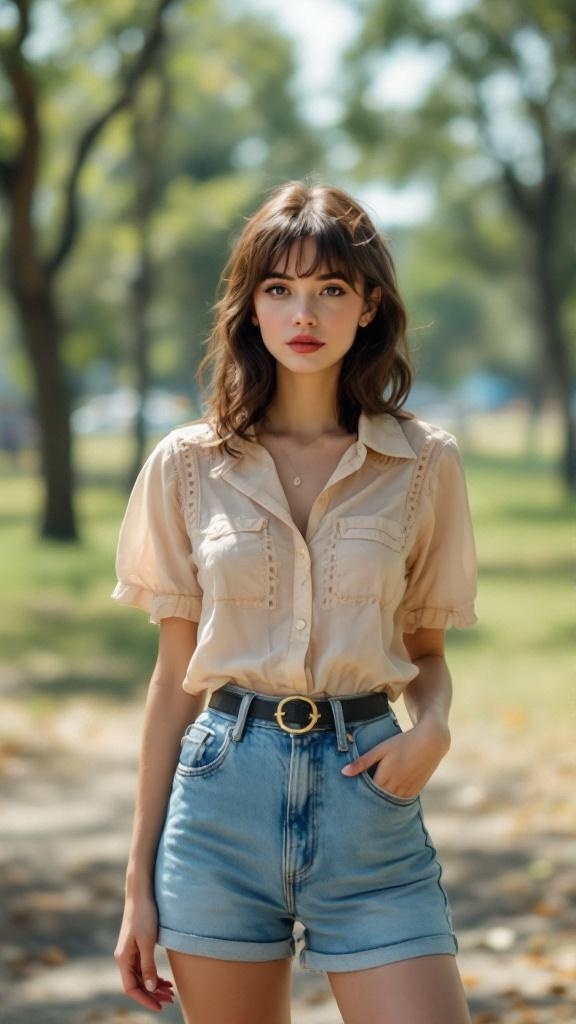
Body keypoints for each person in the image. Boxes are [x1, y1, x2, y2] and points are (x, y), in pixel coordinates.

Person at [112, 181, 477, 1024]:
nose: (301, 313)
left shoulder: (424, 465)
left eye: (330, 290)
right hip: (217, 811)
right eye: (278, 289)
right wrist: (137, 884)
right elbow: (174, 682)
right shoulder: (187, 465)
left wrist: (433, 729)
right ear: (250, 308)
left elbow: (426, 656)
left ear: (369, 305)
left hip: (370, 805)